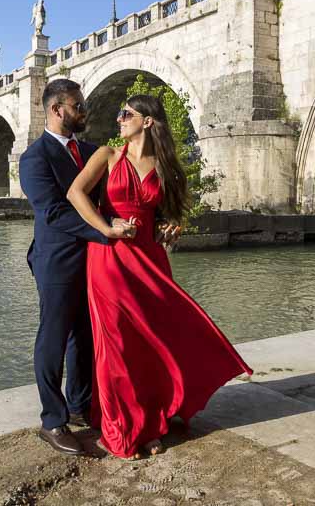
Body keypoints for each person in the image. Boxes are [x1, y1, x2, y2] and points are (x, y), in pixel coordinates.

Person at [67, 94, 253, 459]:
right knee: (117, 344)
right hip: (108, 259)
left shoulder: (165, 166)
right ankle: (120, 429)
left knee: (150, 343)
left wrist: (173, 227)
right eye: (120, 113)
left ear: (148, 121)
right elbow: (76, 193)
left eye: (126, 114)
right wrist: (106, 226)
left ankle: (149, 423)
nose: (119, 119)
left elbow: (170, 216)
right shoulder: (107, 155)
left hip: (149, 260)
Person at [18, 79, 136, 456]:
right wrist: (104, 232)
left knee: (84, 335)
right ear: (57, 109)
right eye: (78, 106)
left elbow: (113, 196)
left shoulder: (90, 151)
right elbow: (52, 212)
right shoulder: (34, 158)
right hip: (56, 259)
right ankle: (52, 420)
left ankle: (79, 405)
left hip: (97, 260)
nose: (84, 111)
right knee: (53, 337)